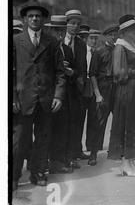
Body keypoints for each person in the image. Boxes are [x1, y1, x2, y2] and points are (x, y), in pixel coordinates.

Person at [13, 0, 65, 190]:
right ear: (25, 19)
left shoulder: (52, 41)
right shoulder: (15, 41)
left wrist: (58, 96)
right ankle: (14, 176)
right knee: (19, 140)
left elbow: (60, 72)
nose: (34, 18)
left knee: (43, 139)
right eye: (31, 16)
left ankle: (38, 173)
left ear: (43, 19)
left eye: (38, 16)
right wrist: (12, 98)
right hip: (23, 100)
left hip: (46, 100)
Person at [108, 14, 135, 177]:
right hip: (128, 91)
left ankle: (131, 162)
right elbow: (119, 73)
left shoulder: (132, 45)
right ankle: (125, 163)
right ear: (125, 31)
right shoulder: (120, 46)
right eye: (133, 29)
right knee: (129, 124)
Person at [43, 16, 76, 174]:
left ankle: (58, 159)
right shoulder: (44, 47)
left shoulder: (67, 49)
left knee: (63, 128)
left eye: (62, 30)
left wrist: (70, 72)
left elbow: (75, 70)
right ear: (50, 30)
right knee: (47, 129)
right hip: (49, 94)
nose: (59, 33)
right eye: (56, 30)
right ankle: (45, 162)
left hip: (65, 94)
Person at [86, 25, 119, 166]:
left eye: (115, 35)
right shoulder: (98, 52)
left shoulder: (120, 50)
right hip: (103, 87)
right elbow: (92, 74)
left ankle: (116, 151)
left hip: (117, 87)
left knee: (118, 120)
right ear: (105, 36)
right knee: (98, 121)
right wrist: (98, 94)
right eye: (110, 35)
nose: (113, 37)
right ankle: (93, 153)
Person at [64, 9, 88, 168]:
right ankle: (66, 155)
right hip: (62, 87)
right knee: (64, 122)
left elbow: (82, 67)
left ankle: (76, 150)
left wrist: (75, 74)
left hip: (76, 86)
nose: (75, 26)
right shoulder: (57, 40)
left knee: (78, 120)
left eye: (78, 24)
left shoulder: (80, 43)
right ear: (66, 24)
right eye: (72, 23)